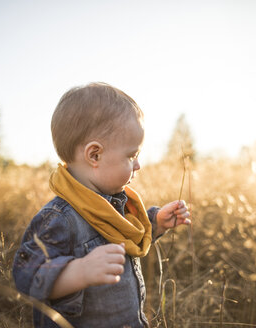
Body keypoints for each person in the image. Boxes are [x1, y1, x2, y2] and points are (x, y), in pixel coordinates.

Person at [12, 82, 191, 328]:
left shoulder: (113, 204)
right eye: (131, 156)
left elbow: (124, 235)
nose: (137, 165)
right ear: (94, 155)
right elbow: (27, 275)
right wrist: (80, 271)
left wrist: (156, 222)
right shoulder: (59, 219)